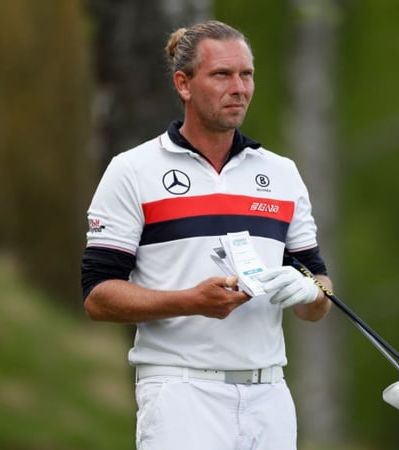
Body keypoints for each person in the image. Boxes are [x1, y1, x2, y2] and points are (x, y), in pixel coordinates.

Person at [80, 20, 333, 450]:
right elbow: (98, 296)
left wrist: (310, 293)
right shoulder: (133, 171)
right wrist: (190, 302)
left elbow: (320, 294)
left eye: (246, 74)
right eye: (222, 75)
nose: (239, 88)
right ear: (184, 84)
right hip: (182, 393)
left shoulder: (281, 173)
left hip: (270, 395)